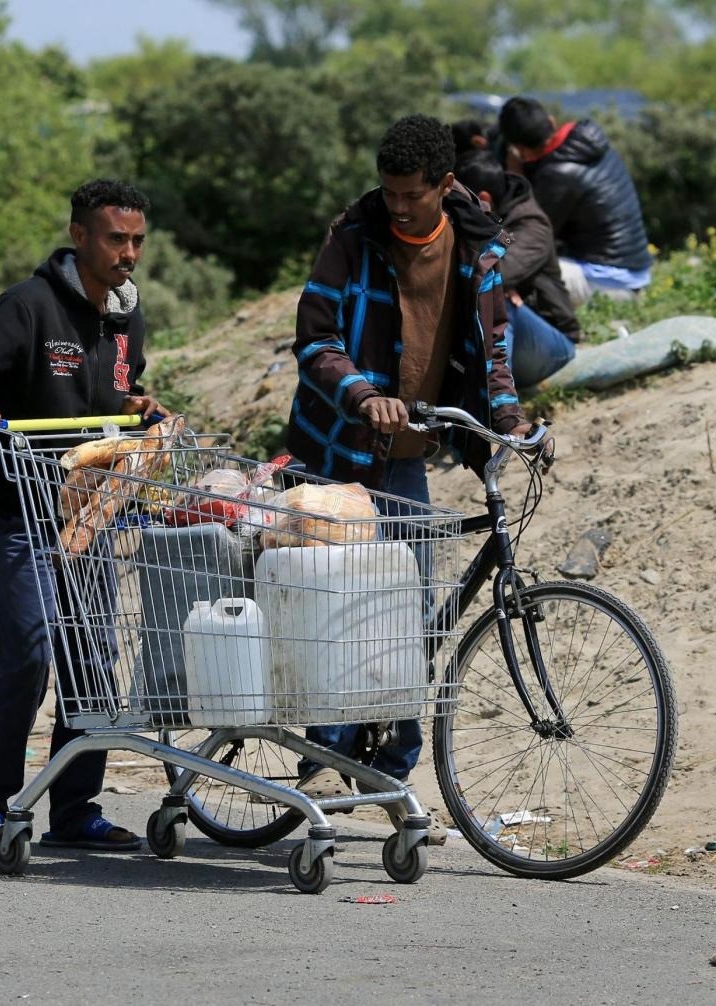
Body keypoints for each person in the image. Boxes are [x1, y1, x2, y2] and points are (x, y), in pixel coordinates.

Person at [285, 114, 535, 845]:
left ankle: (390, 771)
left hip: (405, 457)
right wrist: (363, 393)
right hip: (338, 448)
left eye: (411, 196)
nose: (397, 207)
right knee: (342, 609)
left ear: (445, 186)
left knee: (412, 615)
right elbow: (316, 338)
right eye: (389, 193)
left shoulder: (477, 246)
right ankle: (326, 758)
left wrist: (512, 420)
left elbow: (491, 346)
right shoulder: (353, 237)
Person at [0, 179, 164, 857]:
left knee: (93, 657)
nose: (129, 253)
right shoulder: (29, 307)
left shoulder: (127, 316)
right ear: (80, 236)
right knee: (29, 653)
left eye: (138, 240)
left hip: (92, 515)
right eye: (116, 238)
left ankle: (75, 807)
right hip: (20, 512)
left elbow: (125, 394)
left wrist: (143, 410)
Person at [497, 96, 653, 304]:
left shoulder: (557, 174)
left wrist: (516, 177)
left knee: (507, 276)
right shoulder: (589, 142)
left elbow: (528, 233)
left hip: (609, 282)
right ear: (551, 122)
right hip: (634, 273)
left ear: (520, 150)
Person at [453, 149, 583, 391]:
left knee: (497, 299)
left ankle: (496, 408)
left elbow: (495, 274)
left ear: (483, 198)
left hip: (553, 344)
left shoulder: (531, 226)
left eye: (457, 202)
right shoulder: (480, 220)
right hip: (512, 339)